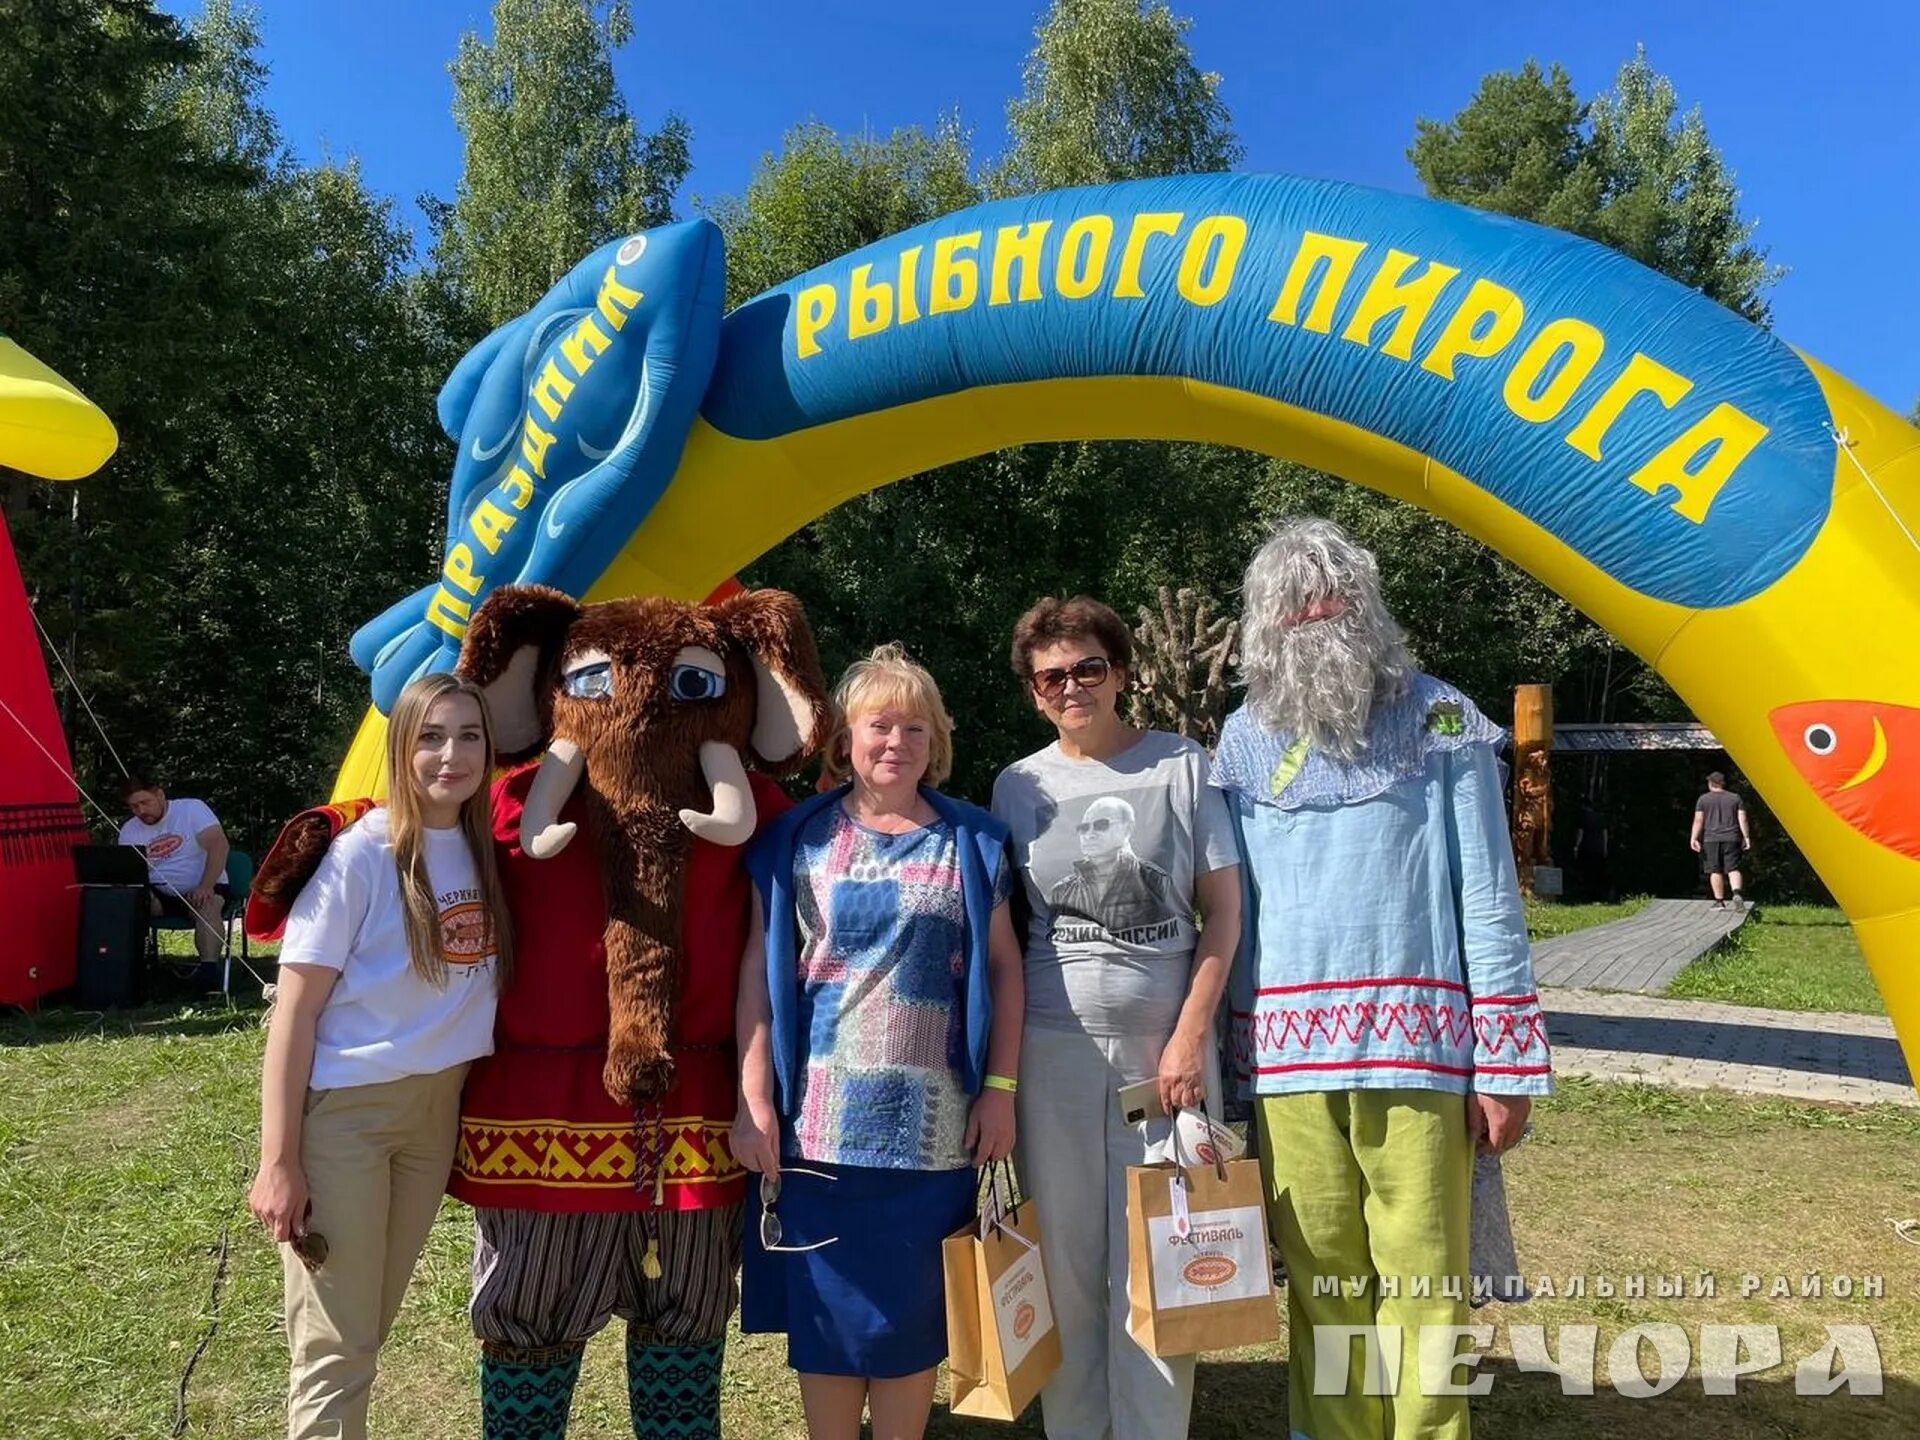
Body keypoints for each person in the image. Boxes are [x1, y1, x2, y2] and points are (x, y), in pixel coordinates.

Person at [1211, 517, 1552, 1440]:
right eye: (1293, 603)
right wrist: (1217, 1064)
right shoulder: (1241, 741)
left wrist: (1508, 1066)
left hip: (1421, 1052)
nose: (1315, 613)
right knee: (1322, 1286)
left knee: (1426, 1282)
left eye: (1331, 595)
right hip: (1285, 1063)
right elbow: (1229, 914)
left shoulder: (1440, 715)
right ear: (1264, 624)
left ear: (1365, 606)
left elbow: (1487, 896)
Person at [737, 644, 1024, 1440]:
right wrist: (753, 1098)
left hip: (936, 1137)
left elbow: (1005, 972)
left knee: (909, 1336)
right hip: (815, 1138)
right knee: (826, 1336)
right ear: (845, 740)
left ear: (937, 742)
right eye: (880, 725)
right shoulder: (793, 843)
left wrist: (1000, 1091)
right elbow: (758, 984)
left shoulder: (975, 843)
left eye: (916, 727)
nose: (897, 741)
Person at [991, 598, 1241, 1440]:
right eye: (1052, 675)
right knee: (1065, 1263)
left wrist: (1187, 1039)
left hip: (1162, 1057)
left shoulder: (1183, 767)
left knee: (1164, 1257)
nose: (1073, 687)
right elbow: (1006, 930)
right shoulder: (1016, 786)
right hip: (1051, 1054)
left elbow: (1225, 916)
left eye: (1088, 668)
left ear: (1121, 672)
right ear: (1033, 691)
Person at [246, 672, 513, 1440]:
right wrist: (279, 1161)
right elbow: (293, 1014)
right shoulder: (359, 856)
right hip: (348, 1119)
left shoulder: (481, 848)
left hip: (434, 1115)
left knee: (366, 1329)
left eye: (468, 736)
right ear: (402, 746)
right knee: (335, 1344)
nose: (450, 755)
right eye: (430, 736)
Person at [119, 773, 229, 977]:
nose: (141, 811)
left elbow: (219, 846)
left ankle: (209, 973)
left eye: (145, 802)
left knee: (208, 905)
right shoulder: (129, 830)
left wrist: (205, 885)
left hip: (203, 885)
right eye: (134, 806)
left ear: (160, 795)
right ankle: (127, 970)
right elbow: (131, 873)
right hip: (158, 893)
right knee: (126, 903)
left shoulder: (192, 809)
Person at [1691, 771, 1751, 909]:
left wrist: (1694, 838)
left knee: (1715, 870)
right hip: (1732, 838)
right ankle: (1736, 892)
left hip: (1711, 839)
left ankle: (1719, 901)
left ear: (1711, 783)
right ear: (1723, 783)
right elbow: (1743, 818)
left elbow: (1698, 820)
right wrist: (1746, 837)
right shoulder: (1735, 798)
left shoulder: (1703, 799)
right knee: (1733, 868)